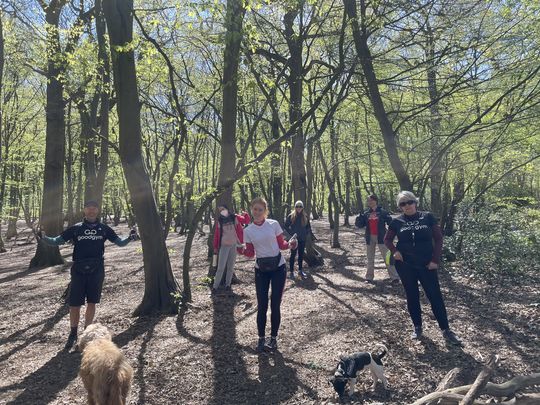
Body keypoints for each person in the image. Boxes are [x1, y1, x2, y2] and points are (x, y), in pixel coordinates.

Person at [37, 200, 138, 350]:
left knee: (92, 302)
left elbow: (119, 243)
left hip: (97, 270)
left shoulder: (104, 229)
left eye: (94, 208)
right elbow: (57, 240)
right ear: (84, 210)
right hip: (78, 269)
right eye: (88, 208)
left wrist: (130, 237)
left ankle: (87, 332)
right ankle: (73, 333)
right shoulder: (76, 228)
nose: (91, 211)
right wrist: (44, 237)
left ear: (97, 211)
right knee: (74, 304)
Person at [384, 191, 462, 346]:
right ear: (400, 207)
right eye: (403, 204)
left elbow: (439, 239)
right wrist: (395, 251)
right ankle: (417, 327)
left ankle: (446, 329)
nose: (407, 206)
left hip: (427, 264)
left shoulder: (427, 217)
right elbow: (387, 239)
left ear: (416, 202)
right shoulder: (397, 221)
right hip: (405, 265)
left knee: (435, 296)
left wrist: (435, 260)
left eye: (410, 202)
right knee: (412, 295)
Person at [240, 197, 297, 353]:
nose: (257, 212)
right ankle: (261, 339)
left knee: (275, 305)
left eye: (260, 209)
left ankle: (273, 338)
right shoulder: (248, 230)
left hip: (278, 268)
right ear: (251, 210)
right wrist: (241, 250)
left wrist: (291, 244)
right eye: (254, 209)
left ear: (265, 211)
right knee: (262, 305)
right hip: (261, 270)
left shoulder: (273, 224)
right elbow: (251, 253)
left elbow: (281, 245)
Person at [355, 194, 400, 284]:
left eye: (371, 200)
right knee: (370, 258)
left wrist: (393, 233)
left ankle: (395, 277)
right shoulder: (366, 213)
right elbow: (360, 225)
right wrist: (358, 219)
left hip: (382, 237)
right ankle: (369, 277)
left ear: (376, 200)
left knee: (387, 257)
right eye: (368, 200)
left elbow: (390, 223)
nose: (370, 202)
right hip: (369, 237)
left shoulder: (383, 212)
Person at [212, 205, 250, 294]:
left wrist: (245, 214)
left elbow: (246, 221)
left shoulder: (234, 217)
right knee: (221, 267)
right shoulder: (220, 221)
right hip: (224, 246)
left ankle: (228, 285)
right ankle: (215, 287)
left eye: (223, 209)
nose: (222, 211)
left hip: (234, 245)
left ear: (227, 209)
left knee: (230, 267)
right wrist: (215, 247)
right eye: (220, 210)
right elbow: (217, 235)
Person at [284, 200, 314, 280]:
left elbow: (308, 227)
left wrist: (305, 233)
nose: (299, 208)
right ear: (295, 207)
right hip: (294, 240)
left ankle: (300, 270)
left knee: (301, 255)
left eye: (300, 206)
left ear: (302, 207)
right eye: (297, 206)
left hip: (302, 239)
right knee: (293, 255)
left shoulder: (305, 216)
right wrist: (292, 234)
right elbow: (286, 226)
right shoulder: (291, 216)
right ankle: (291, 272)